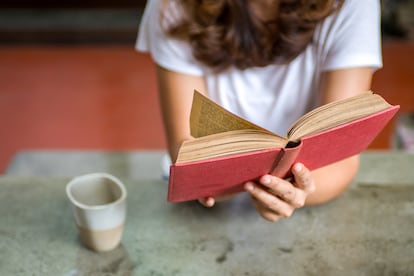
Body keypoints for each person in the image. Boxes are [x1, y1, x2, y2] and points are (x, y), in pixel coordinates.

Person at [136, 0, 382, 222]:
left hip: (309, 194)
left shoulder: (351, 4)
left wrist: (292, 191)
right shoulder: (173, 5)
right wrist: (205, 180)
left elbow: (342, 156)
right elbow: (185, 147)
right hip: (212, 206)